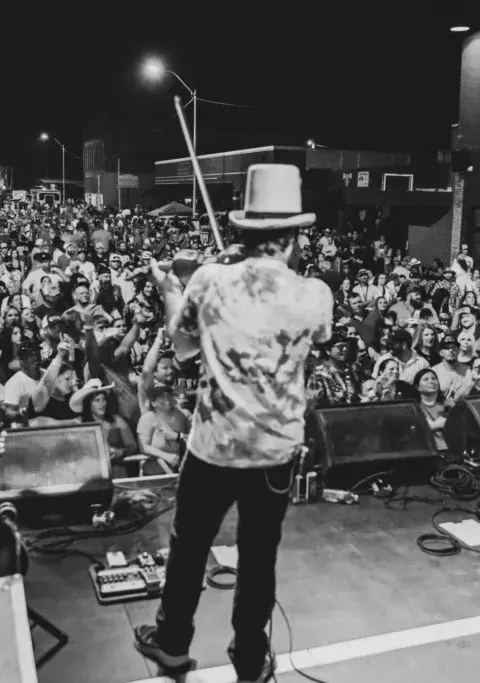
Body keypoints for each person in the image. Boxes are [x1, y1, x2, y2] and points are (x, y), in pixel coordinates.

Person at [132, 164, 333, 683]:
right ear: (293, 236)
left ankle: (172, 645)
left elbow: (182, 347)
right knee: (259, 557)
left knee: (189, 547)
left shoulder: (209, 279)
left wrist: (169, 288)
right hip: (275, 453)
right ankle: (249, 658)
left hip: (213, 448)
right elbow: (318, 338)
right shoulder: (315, 294)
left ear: (243, 229)